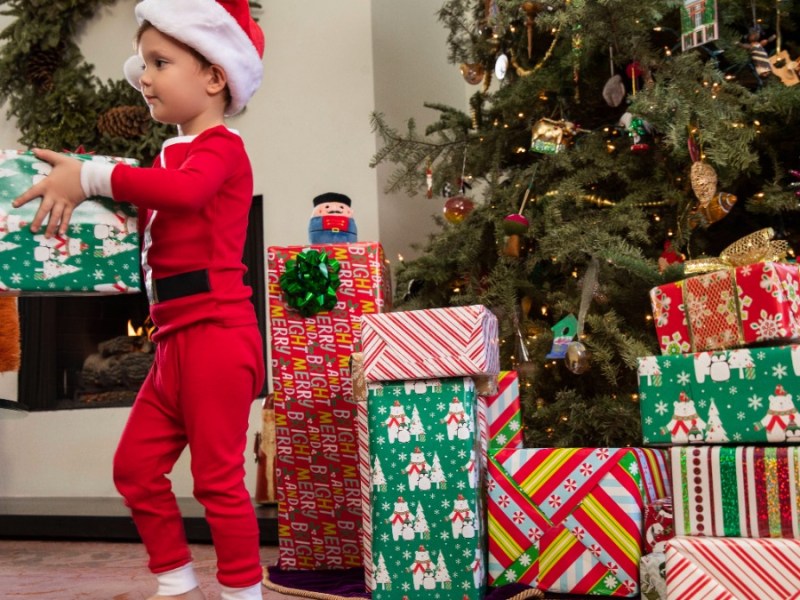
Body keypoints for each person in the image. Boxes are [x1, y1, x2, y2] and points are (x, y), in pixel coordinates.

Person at [12, 1, 266, 599]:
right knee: (133, 469)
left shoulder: (221, 148)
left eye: (160, 61)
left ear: (214, 76)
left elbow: (187, 193)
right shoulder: (167, 155)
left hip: (218, 336)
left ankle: (241, 591)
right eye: (143, 61)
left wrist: (94, 176)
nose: (143, 75)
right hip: (173, 341)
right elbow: (148, 214)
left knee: (217, 481)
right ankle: (175, 581)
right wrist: (81, 197)